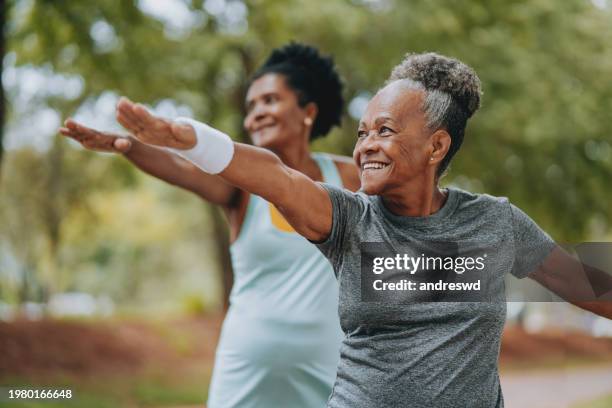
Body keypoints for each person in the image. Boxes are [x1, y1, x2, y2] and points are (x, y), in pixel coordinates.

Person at [109, 51, 612, 408]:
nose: (366, 145)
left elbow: (589, 286)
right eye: (362, 132)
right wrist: (194, 141)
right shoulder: (347, 220)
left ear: (437, 147)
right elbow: (276, 176)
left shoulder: (493, 221)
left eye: (385, 131)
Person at [60, 43, 360, 408]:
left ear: (308, 111)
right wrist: (129, 146)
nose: (256, 115)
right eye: (251, 107)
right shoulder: (243, 190)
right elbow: (183, 169)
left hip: (329, 368)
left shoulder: (347, 177)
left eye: (269, 100)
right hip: (247, 369)